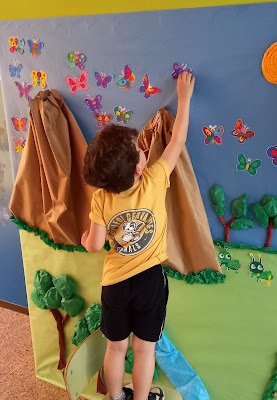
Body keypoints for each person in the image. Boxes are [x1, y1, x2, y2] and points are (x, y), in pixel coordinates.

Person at [81, 71, 195, 400]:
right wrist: (184, 99)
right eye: (140, 150)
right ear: (138, 168)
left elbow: (94, 246)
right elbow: (176, 143)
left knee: (116, 349)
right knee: (145, 351)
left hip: (115, 283)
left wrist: (87, 236)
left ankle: (116, 397)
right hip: (149, 281)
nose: (145, 149)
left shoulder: (101, 198)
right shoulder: (155, 180)